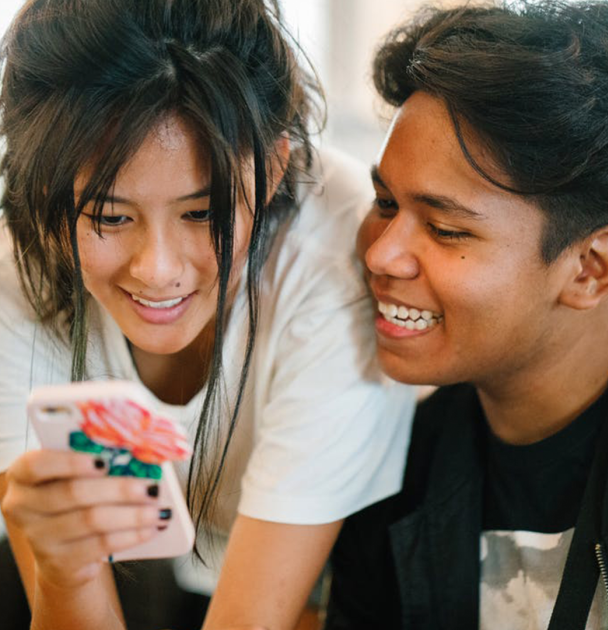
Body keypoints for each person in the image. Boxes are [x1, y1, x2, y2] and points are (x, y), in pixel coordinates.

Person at [0, 1, 415, 629]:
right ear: (39, 190)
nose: (159, 269)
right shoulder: (15, 272)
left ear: (273, 168)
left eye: (204, 212)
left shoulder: (333, 259)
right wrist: (69, 571)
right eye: (110, 217)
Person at [324, 2, 608, 629]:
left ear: (590, 268)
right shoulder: (387, 469)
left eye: (443, 228)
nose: (380, 254)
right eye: (384, 201)